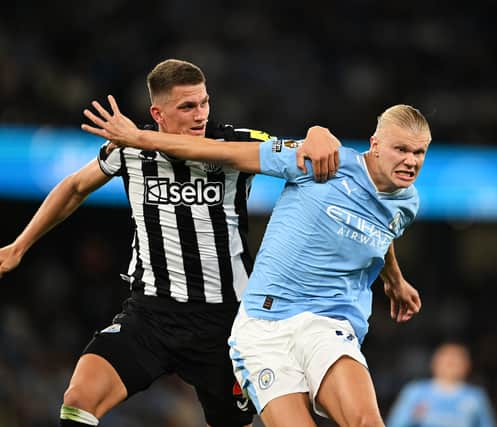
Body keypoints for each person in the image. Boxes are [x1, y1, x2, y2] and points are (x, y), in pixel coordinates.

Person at [0, 59, 342, 427]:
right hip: (151, 315)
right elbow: (74, 186)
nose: (200, 115)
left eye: (204, 103)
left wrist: (319, 131)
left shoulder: (235, 144)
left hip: (226, 324)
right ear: (158, 113)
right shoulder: (129, 150)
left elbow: (309, 147)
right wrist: (18, 247)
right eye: (187, 107)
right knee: (79, 399)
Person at [80, 97, 428, 427]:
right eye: (402, 149)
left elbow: (383, 232)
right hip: (262, 329)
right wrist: (140, 138)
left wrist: (394, 280)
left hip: (328, 321)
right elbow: (220, 152)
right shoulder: (320, 160)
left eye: (419, 152)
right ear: (376, 143)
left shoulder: (406, 203)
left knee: (366, 421)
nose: (411, 161)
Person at [386, 342, 497, 427]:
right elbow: (396, 423)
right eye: (446, 361)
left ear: (467, 366)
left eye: (455, 362)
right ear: (434, 363)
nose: (450, 365)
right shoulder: (415, 392)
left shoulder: (475, 397)